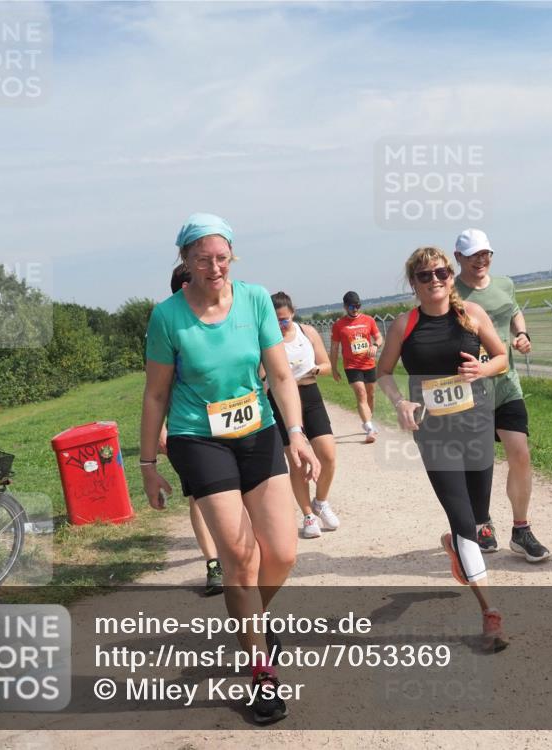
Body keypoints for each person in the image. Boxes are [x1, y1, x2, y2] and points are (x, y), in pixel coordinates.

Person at [139, 213, 320, 724]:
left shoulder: (256, 299)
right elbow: (155, 394)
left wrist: (297, 433)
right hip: (199, 438)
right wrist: (148, 463)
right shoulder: (167, 316)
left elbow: (280, 375)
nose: (215, 267)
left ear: (232, 256)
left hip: (257, 431)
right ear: (185, 261)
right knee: (240, 557)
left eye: (222, 257)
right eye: (203, 259)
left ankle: (252, 619)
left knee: (281, 552)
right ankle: (261, 672)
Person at [377, 246, 510, 651]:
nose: (434, 280)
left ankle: (457, 543)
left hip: (476, 426)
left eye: (441, 273)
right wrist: (400, 402)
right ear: (413, 283)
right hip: (435, 434)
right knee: (464, 519)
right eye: (425, 275)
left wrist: (482, 368)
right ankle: (490, 612)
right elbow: (384, 372)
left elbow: (502, 357)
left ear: (451, 277)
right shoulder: (405, 324)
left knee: (479, 516)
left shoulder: (472, 314)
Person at [453, 228, 550, 563]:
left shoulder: (505, 284)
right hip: (469, 391)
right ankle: (481, 524)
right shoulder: (450, 292)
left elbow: (513, 310)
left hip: (506, 384)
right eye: (473, 255)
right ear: (458, 258)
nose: (481, 260)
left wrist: (521, 334)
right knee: (478, 461)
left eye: (486, 254)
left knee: (520, 453)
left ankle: (521, 530)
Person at [158, 266, 223, 596]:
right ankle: (214, 564)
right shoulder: (167, 326)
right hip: (190, 429)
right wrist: (160, 429)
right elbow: (157, 388)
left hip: (232, 422)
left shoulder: (223, 316)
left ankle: (239, 552)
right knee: (199, 497)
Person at [266, 291, 339, 538]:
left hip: (310, 395)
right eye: (275, 320)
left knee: (328, 455)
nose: (280, 325)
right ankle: (308, 516)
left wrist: (316, 369)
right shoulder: (266, 339)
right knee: (297, 462)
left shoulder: (307, 332)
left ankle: (321, 501)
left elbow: (327, 365)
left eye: (284, 319)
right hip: (281, 402)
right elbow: (260, 373)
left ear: (293, 313)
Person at [330, 291, 383, 443]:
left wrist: (375, 345)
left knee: (370, 395)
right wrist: (334, 368)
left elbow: (379, 337)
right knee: (361, 393)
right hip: (351, 366)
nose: (355, 309)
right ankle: (369, 428)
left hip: (369, 364)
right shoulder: (339, 325)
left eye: (357, 306)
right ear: (345, 307)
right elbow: (334, 348)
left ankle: (368, 421)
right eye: (351, 307)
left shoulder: (368, 320)